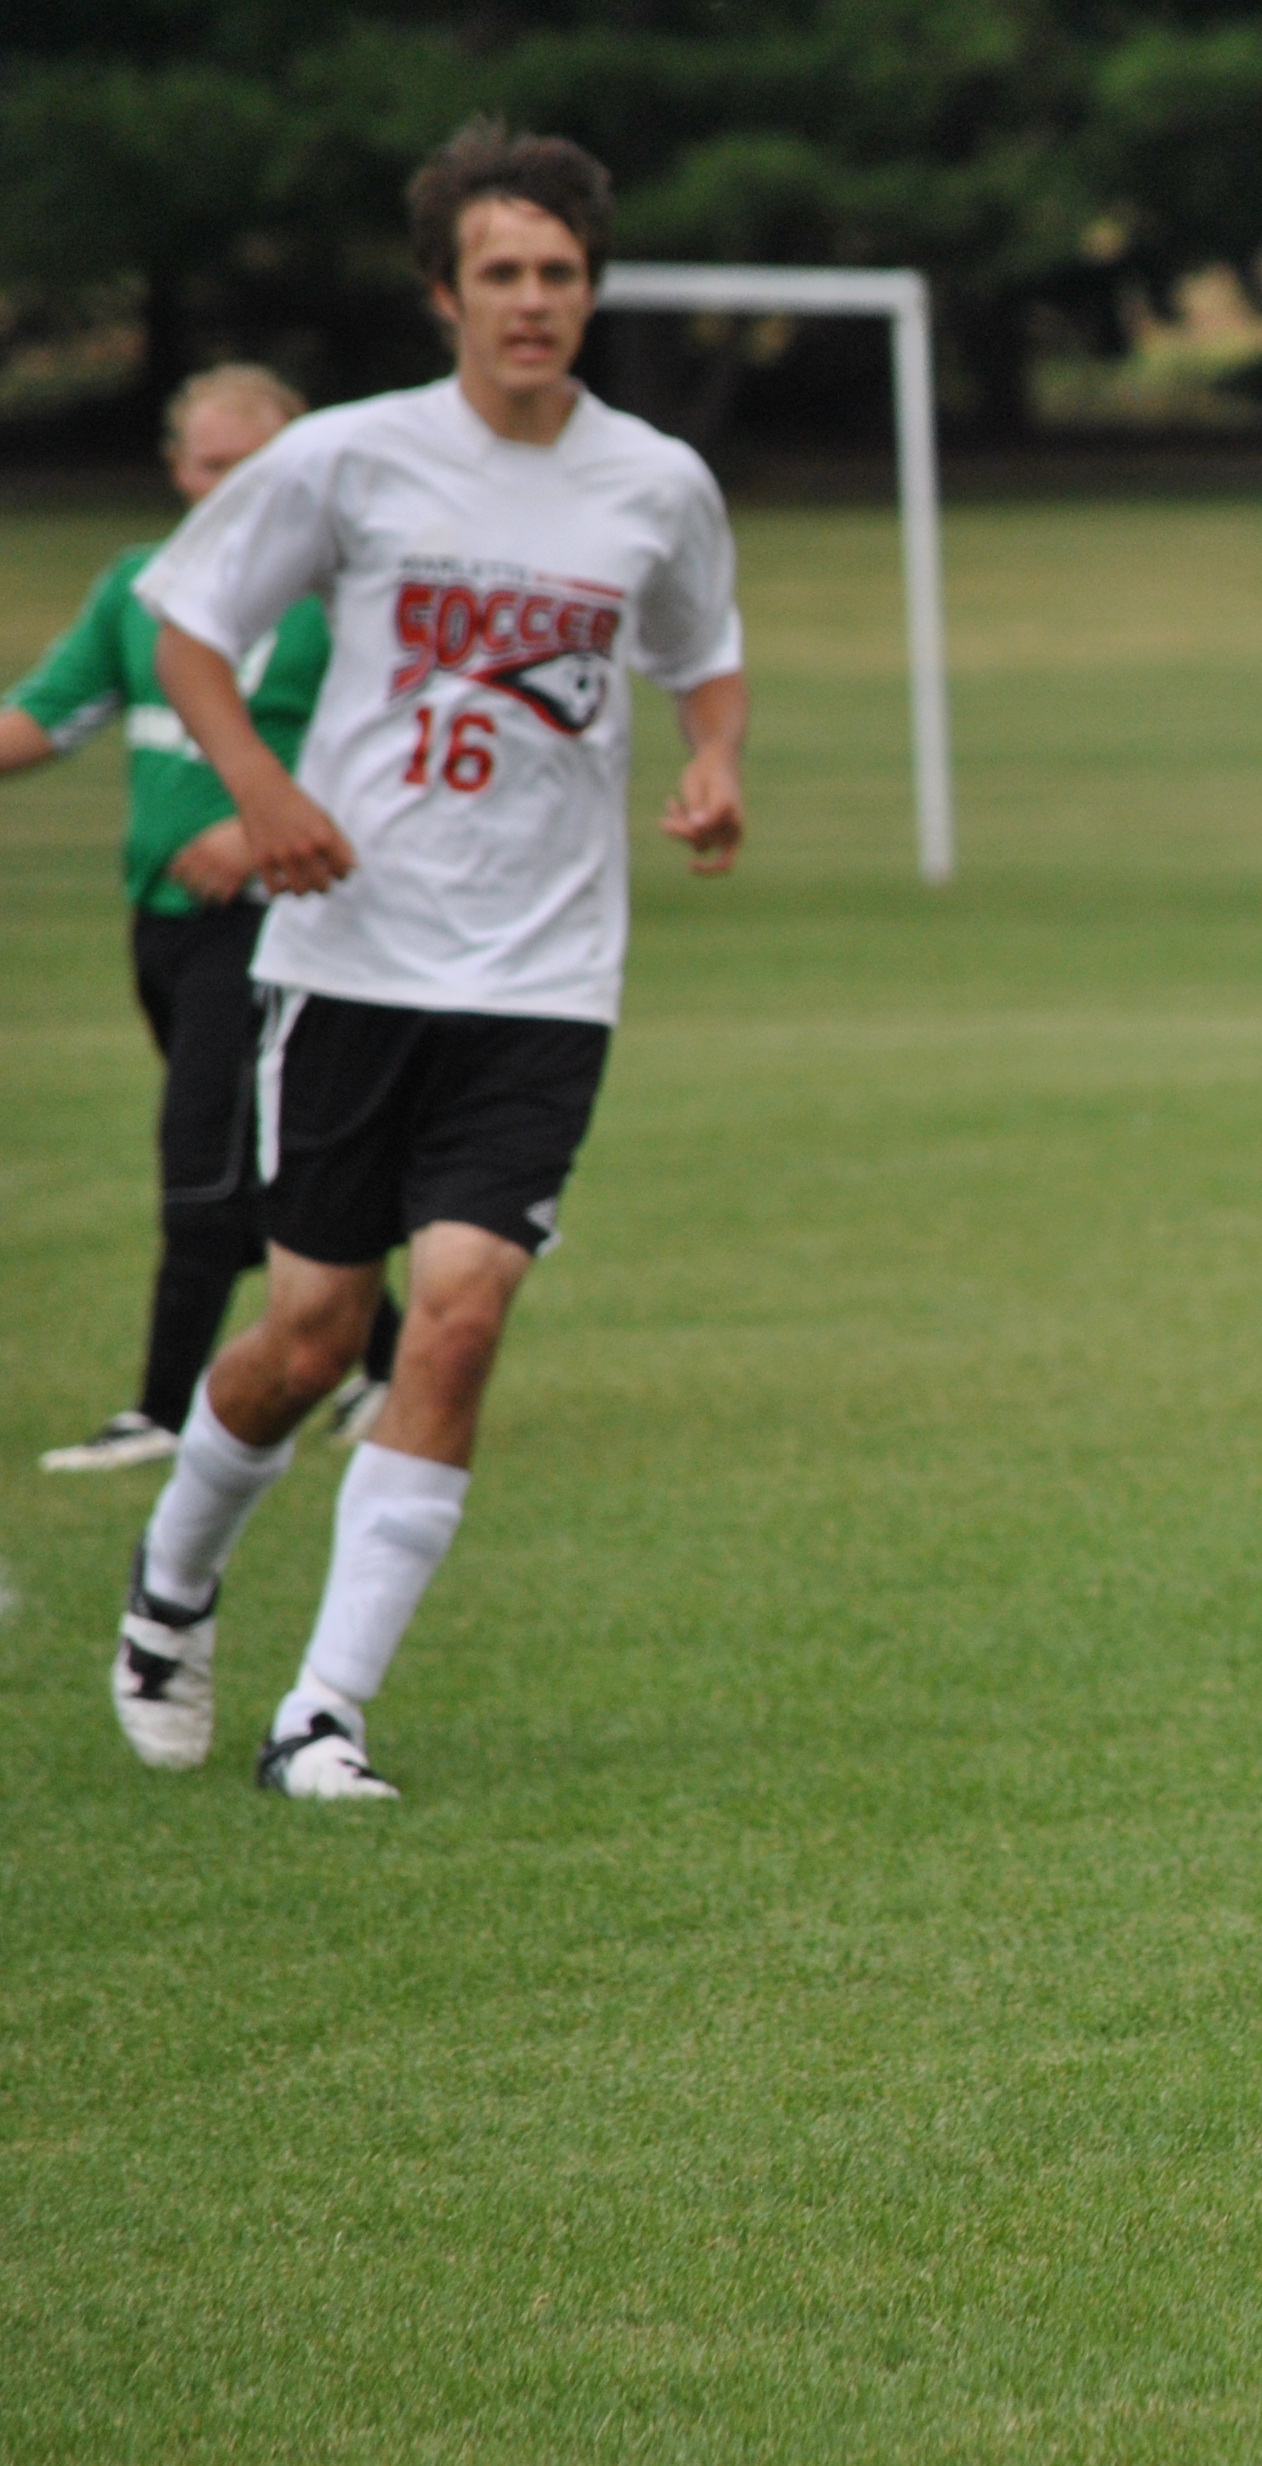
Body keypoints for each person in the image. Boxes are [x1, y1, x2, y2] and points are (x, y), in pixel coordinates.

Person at [106, 120, 746, 1798]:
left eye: (558, 273)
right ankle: (171, 1590)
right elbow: (186, 622)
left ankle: (320, 1714)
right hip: (350, 959)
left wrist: (716, 764)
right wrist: (260, 788)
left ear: (590, 291)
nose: (531, 302)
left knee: (457, 1320)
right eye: (500, 275)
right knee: (309, 1335)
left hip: (541, 981)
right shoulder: (351, 458)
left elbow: (705, 653)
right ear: (444, 295)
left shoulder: (655, 481)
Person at [4, 367, 403, 1474]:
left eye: (253, 465)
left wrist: (260, 820)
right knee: (268, 1166)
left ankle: (165, 1410)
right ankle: (386, 1357)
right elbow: (48, 714)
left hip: (285, 922)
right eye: (207, 464)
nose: (227, 484)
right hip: (165, 924)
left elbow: (390, 756)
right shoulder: (138, 589)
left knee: (202, 1160)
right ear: (177, 470)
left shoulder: (347, 601)